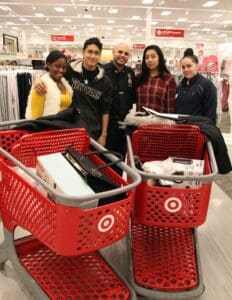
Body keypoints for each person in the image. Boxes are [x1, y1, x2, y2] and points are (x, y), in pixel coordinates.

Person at [33, 37, 113, 146]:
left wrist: (104, 135)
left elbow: (106, 111)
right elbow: (51, 71)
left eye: (96, 53)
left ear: (99, 55)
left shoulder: (105, 81)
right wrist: (38, 79)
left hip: (94, 131)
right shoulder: (70, 70)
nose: (92, 56)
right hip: (70, 127)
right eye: (89, 52)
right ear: (83, 52)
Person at [104, 42, 136, 157]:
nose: (122, 55)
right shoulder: (103, 71)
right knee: (105, 158)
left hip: (124, 125)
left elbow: (132, 97)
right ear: (113, 52)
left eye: (126, 53)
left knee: (120, 158)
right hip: (107, 125)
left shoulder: (130, 73)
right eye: (120, 52)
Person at [25, 50, 73, 119]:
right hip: (50, 127)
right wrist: (37, 78)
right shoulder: (42, 85)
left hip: (64, 126)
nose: (61, 70)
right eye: (57, 66)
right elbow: (35, 118)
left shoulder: (64, 83)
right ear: (48, 65)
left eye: (64, 67)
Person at [175, 48, 217, 123]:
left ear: (197, 66)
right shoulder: (180, 86)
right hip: (180, 130)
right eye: (183, 67)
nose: (185, 69)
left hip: (198, 131)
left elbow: (211, 115)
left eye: (189, 66)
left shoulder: (207, 85)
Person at [136, 44, 176, 113]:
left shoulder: (168, 79)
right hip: (140, 121)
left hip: (159, 122)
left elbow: (171, 107)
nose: (149, 60)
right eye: (147, 57)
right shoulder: (139, 77)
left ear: (160, 58)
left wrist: (171, 123)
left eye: (153, 56)